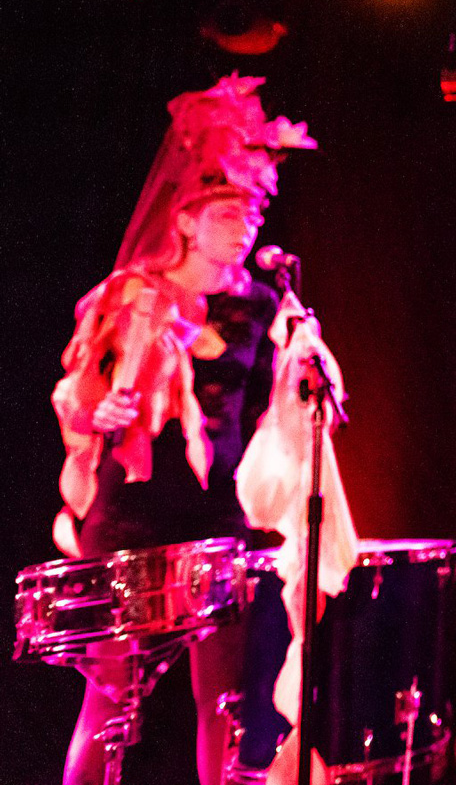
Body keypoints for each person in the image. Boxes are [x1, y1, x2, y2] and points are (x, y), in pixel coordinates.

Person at [50, 75, 314, 785]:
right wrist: (100, 414)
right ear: (188, 221)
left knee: (226, 701)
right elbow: (80, 393)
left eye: (253, 213)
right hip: (132, 515)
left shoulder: (262, 306)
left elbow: (261, 413)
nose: (244, 227)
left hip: (215, 516)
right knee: (111, 697)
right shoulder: (133, 296)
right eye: (227, 214)